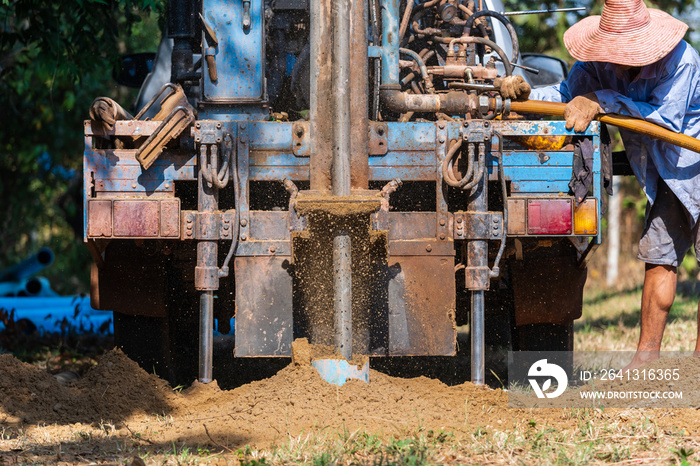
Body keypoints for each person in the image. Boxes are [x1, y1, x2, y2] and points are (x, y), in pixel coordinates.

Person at [507, 0, 700, 369]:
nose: (614, 61)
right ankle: (645, 361)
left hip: (692, 158)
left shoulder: (681, 61)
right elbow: (567, 96)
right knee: (659, 259)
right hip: (666, 173)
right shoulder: (596, 63)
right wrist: (526, 97)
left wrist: (602, 100)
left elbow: (667, 123)